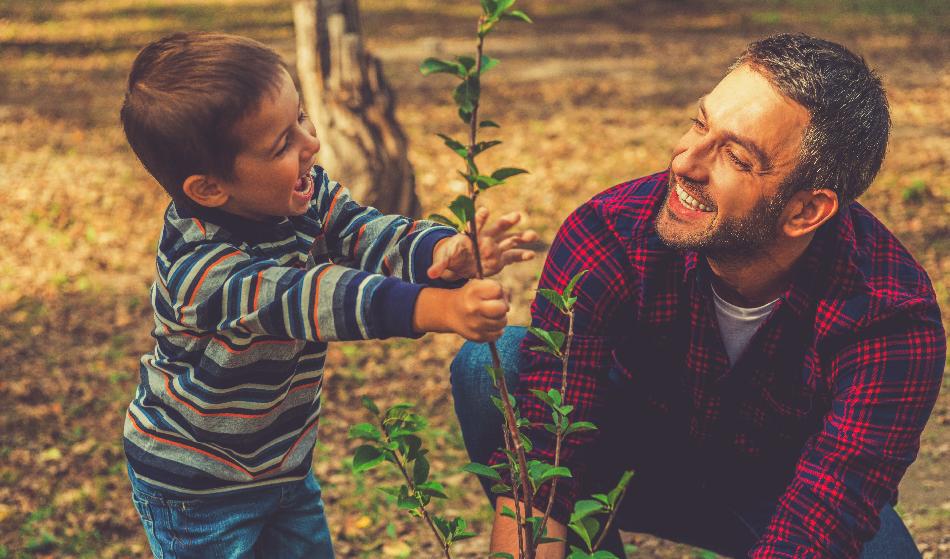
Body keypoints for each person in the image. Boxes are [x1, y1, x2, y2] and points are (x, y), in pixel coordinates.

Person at [451, 33, 945, 558]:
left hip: (786, 491)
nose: (685, 163)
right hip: (634, 459)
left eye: (734, 156)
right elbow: (543, 462)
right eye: (700, 124)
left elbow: (824, 519)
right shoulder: (610, 233)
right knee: (496, 364)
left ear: (805, 212)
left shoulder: (891, 316)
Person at [119, 32, 536, 558]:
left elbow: (365, 232)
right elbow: (311, 298)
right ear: (209, 189)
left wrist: (441, 253)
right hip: (198, 488)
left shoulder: (303, 193)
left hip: (283, 466)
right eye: (281, 145)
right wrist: (437, 308)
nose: (310, 144)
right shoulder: (202, 271)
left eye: (302, 119)